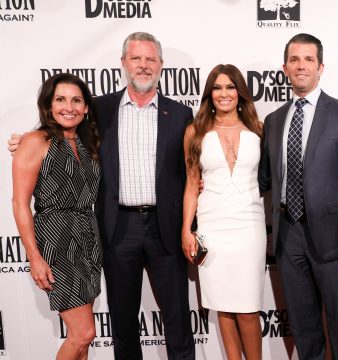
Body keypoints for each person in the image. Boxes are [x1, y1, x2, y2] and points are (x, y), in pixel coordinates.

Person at [7, 32, 195, 360]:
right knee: (122, 325)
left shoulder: (180, 115)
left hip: (165, 227)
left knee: (178, 322)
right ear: (123, 63)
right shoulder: (100, 109)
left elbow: (193, 164)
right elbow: (58, 131)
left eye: (151, 59)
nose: (143, 65)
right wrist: (25, 139)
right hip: (116, 228)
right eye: (136, 58)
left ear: (162, 66)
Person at [258, 33, 338, 360]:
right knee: (304, 328)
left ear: (321, 67)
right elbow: (263, 178)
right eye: (294, 59)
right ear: (285, 68)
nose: (301, 66)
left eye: (308, 59)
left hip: (336, 240)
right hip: (288, 235)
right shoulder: (274, 120)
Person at [12, 73, 102, 360]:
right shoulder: (36, 141)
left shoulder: (89, 145)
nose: (69, 107)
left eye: (76, 100)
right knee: (83, 333)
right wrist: (34, 257)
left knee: (84, 341)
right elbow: (20, 204)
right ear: (48, 106)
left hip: (88, 238)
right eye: (60, 100)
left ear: (86, 107)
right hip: (56, 240)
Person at [181, 64, 265, 360]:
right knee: (224, 306)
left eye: (230, 87)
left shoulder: (258, 128)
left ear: (240, 92)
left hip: (250, 225)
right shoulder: (196, 131)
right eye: (217, 87)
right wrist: (186, 230)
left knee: (248, 308)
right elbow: (192, 184)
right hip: (212, 225)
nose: (224, 93)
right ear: (209, 93)